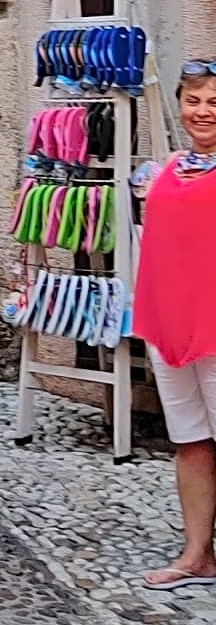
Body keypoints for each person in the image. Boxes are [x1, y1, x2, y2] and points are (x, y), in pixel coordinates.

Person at [132, 60, 216, 586]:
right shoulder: (165, 169)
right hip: (170, 327)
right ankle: (196, 555)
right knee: (189, 441)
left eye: (214, 102)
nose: (203, 111)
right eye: (194, 100)